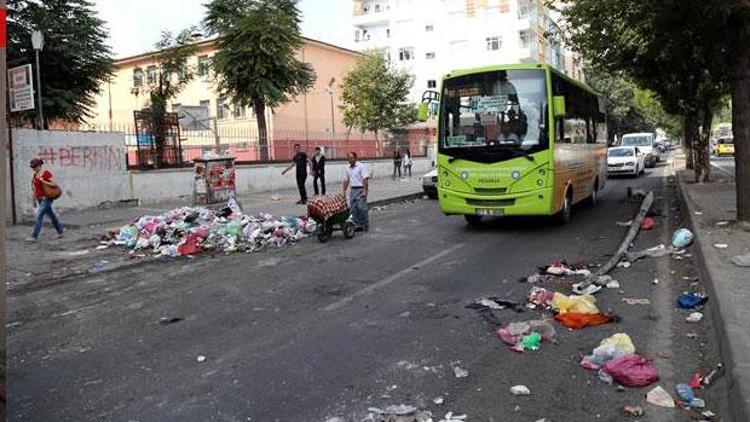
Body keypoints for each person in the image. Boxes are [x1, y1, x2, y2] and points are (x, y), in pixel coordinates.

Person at [27, 158, 64, 242]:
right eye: (32, 167)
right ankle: (60, 232)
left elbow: (54, 183)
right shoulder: (35, 175)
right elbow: (35, 189)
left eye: (35, 167)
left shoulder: (46, 173)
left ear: (39, 165)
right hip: (40, 198)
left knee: (39, 215)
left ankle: (34, 236)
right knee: (51, 215)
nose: (34, 169)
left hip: (47, 198)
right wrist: (33, 200)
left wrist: (44, 181)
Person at [342, 152, 369, 232]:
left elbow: (365, 179)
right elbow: (346, 180)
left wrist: (365, 190)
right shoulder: (347, 168)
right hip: (353, 189)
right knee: (353, 209)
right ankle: (357, 224)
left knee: (361, 207)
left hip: (360, 189)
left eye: (352, 158)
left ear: (355, 158)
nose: (350, 160)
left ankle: (365, 223)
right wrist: (344, 191)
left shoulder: (361, 166)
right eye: (349, 158)